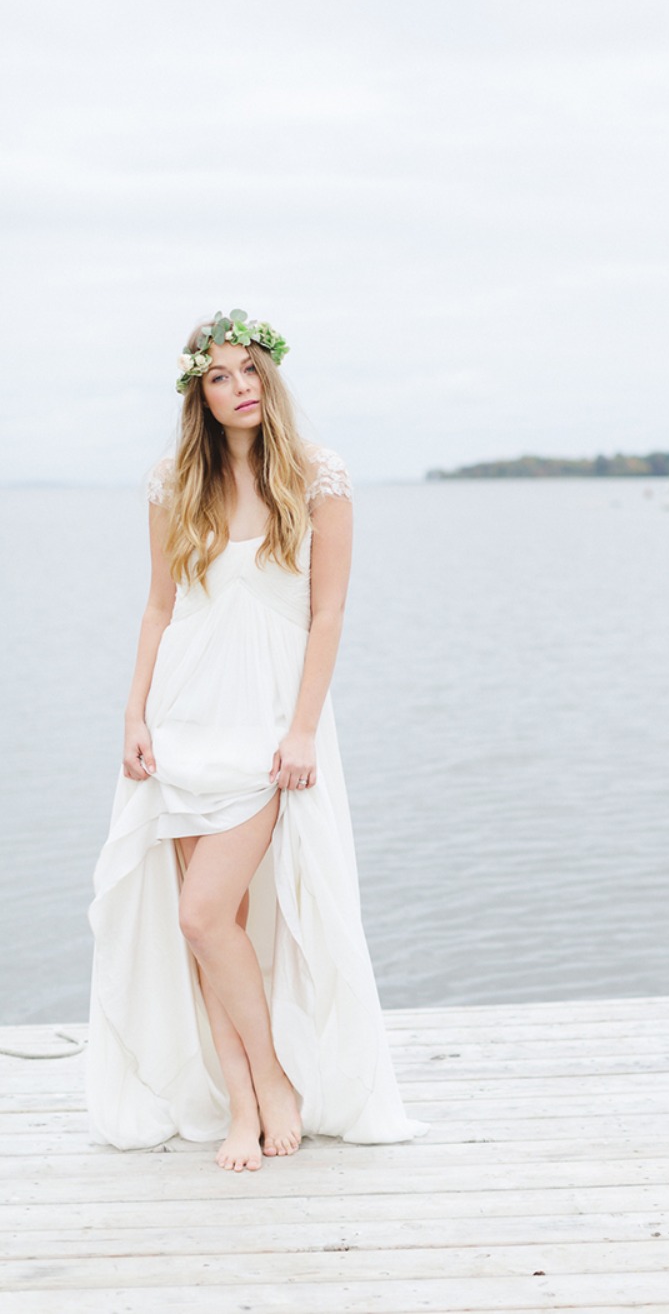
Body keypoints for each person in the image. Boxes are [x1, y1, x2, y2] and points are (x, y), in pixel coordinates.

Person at [87, 312, 426, 1171]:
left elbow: (329, 612)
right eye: (219, 377)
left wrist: (304, 726)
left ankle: (275, 1079)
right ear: (198, 395)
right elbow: (159, 606)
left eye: (249, 370)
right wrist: (133, 716)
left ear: (270, 378)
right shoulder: (173, 484)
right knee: (214, 926)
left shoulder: (319, 477)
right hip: (182, 716)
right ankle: (245, 1102)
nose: (239, 386)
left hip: (270, 718)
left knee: (201, 911)